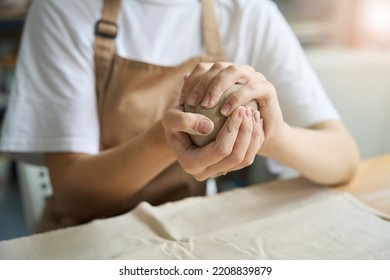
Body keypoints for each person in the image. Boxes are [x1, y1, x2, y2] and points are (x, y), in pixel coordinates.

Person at [0, 0, 359, 232]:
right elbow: (74, 194)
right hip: (87, 240)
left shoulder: (245, 11)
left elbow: (342, 159)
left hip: (190, 233)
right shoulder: (66, 9)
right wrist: (164, 140)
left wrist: (275, 134)